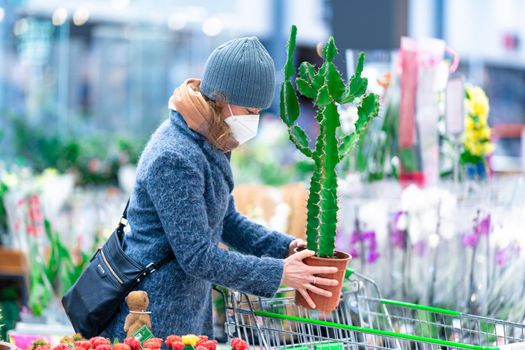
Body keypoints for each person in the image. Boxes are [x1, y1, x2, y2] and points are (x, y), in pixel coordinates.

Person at [102, 36, 339, 340]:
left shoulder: (209, 140)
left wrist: (284, 247)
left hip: (184, 314)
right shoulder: (174, 156)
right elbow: (197, 256)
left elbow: (226, 220)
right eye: (250, 110)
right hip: (151, 320)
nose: (254, 119)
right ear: (221, 97)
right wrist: (279, 273)